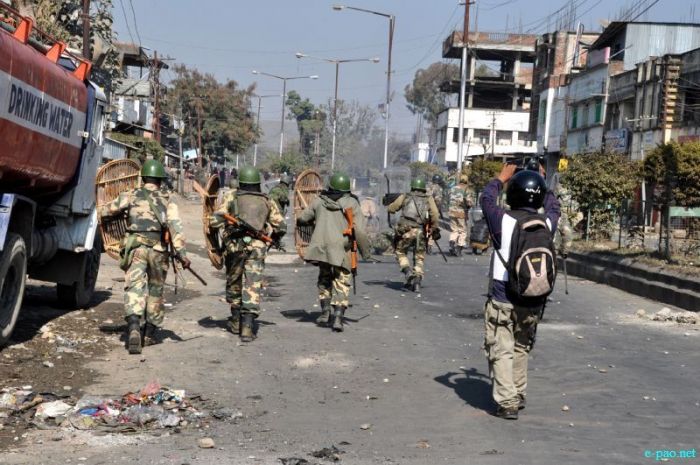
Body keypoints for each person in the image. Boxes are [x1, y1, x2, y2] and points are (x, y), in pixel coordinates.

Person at [481, 163, 561, 420]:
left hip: (502, 294)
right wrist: (542, 180)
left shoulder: (502, 220)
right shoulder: (547, 222)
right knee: (521, 346)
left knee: (501, 348)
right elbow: (554, 206)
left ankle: (507, 401)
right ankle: (518, 392)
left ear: (512, 193)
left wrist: (500, 178)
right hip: (533, 297)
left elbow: (486, 199)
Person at [100, 159, 190, 355]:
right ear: (160, 180)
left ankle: (133, 326)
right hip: (158, 251)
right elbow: (176, 228)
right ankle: (148, 334)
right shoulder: (168, 199)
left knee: (134, 287)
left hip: (136, 248)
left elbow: (106, 211)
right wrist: (182, 255)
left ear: (144, 178)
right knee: (156, 290)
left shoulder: (130, 195)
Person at [210, 166, 286, 342]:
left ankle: (236, 321)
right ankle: (247, 327)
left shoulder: (231, 196)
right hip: (257, 247)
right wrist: (272, 238)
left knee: (234, 281)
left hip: (234, 247)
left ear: (241, 182)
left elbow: (214, 221)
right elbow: (281, 226)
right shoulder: (267, 200)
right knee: (252, 285)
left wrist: (227, 223)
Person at [296, 172, 371, 332]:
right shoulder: (352, 203)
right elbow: (360, 231)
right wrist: (366, 252)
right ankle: (338, 316)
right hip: (341, 249)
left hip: (321, 248)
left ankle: (325, 311)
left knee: (324, 278)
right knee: (342, 281)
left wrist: (315, 220)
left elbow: (302, 218)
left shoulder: (319, 201)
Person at [386, 177, 440, 292]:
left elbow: (392, 209)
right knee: (419, 256)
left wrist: (389, 204)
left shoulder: (405, 196)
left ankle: (407, 271)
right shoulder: (428, 199)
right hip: (420, 231)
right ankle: (417, 282)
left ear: (412, 187)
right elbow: (435, 214)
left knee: (400, 251)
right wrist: (434, 228)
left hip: (405, 231)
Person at [448, 173, 474, 256]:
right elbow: (469, 202)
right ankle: (459, 249)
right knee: (462, 231)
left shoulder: (453, 188)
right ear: (466, 180)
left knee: (454, 229)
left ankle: (452, 242)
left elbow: (449, 198)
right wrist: (471, 204)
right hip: (461, 213)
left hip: (451, 212)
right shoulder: (467, 189)